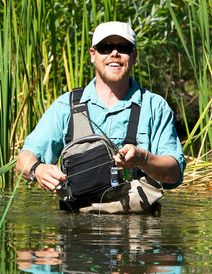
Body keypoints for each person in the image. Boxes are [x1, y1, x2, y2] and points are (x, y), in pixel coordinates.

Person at [16, 21, 186, 198]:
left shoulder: (155, 107)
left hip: (139, 223)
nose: (114, 53)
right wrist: (38, 169)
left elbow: (174, 174)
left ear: (134, 56)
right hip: (76, 221)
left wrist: (144, 159)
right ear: (92, 55)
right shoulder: (66, 106)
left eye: (124, 47)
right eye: (105, 47)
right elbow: (22, 161)